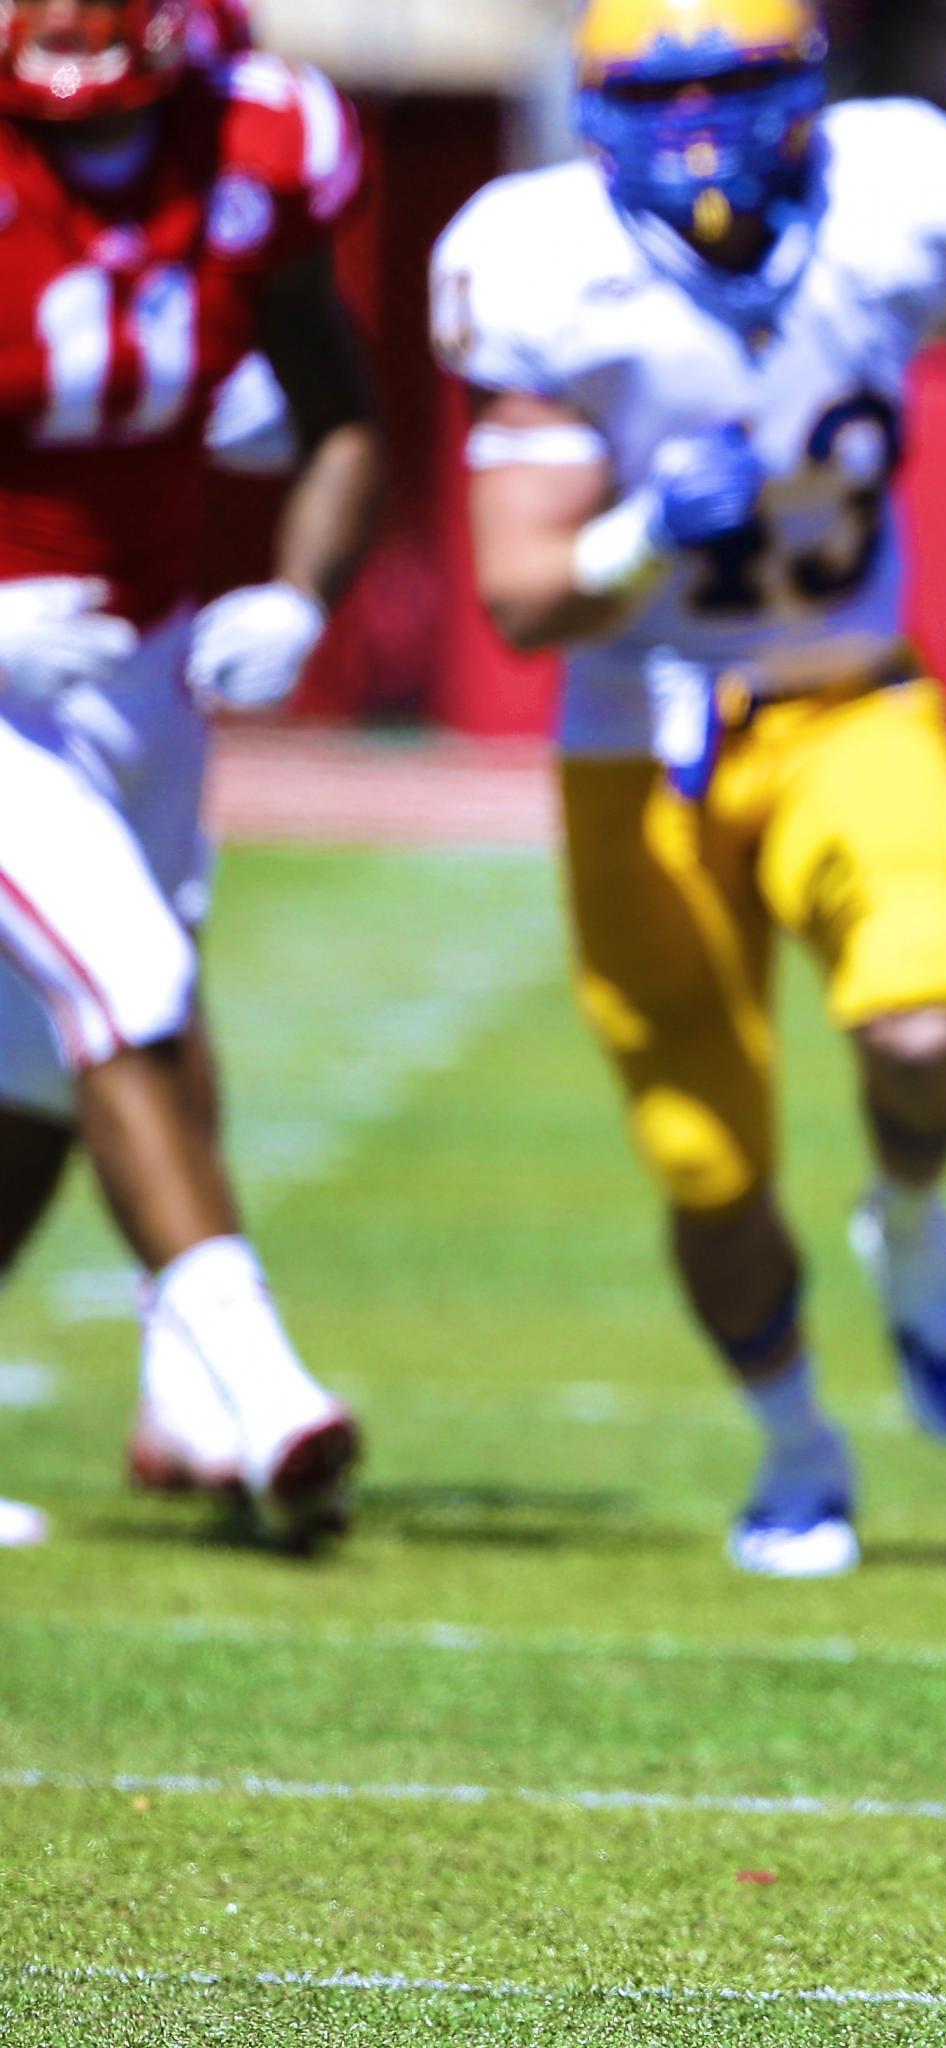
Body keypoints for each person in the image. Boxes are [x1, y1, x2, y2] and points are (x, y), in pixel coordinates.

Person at [432, 0, 946, 1577]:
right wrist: (637, 538)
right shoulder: (543, 267)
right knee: (705, 1158)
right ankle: (798, 1445)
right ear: (596, 111)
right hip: (643, 725)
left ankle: (910, 1210)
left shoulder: (893, 201)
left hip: (850, 696)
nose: (696, 133)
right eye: (658, 95)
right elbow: (523, 594)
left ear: (803, 89)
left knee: (924, 1026)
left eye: (730, 85)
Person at [0, 0, 383, 1549]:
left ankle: (199, 1391)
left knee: (35, 1068)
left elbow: (344, 409)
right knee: (129, 974)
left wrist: (300, 590)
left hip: (135, 663)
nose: (87, 150)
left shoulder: (261, 135)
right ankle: (262, 1387)